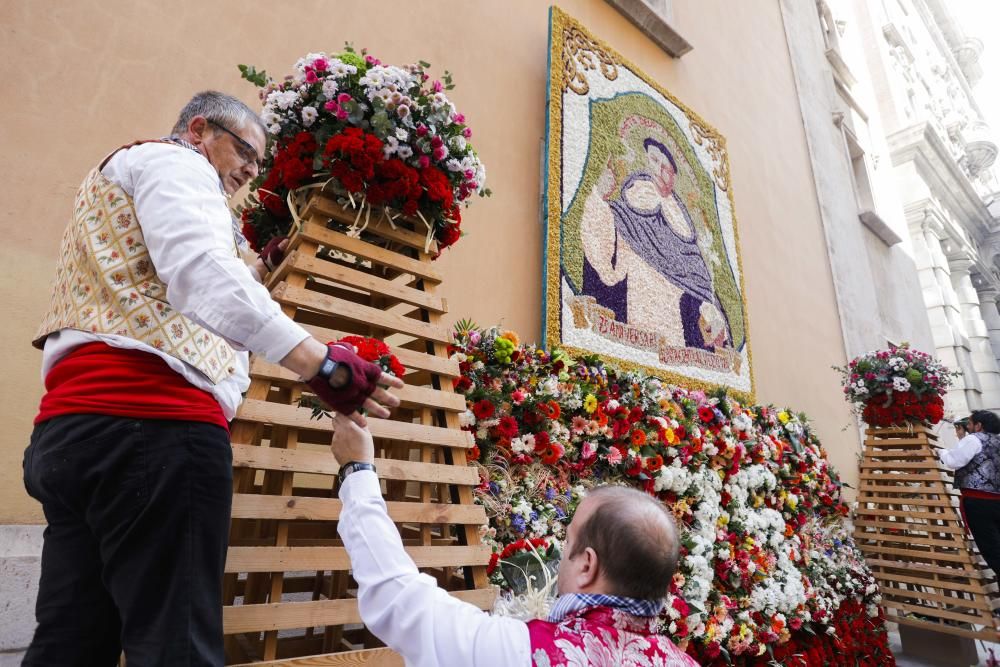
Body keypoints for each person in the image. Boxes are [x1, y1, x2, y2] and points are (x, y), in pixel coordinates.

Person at [22, 91, 403, 666]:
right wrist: (320, 363)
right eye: (245, 153)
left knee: (70, 642)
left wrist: (256, 267)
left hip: (71, 435)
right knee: (176, 644)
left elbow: (177, 277)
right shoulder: (178, 163)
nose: (250, 172)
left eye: (258, 166)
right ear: (199, 130)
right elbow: (201, 273)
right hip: (152, 428)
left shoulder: (124, 174)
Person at [330, 412, 698, 666]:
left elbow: (399, 600)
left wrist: (357, 469)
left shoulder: (523, 653)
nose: (560, 554)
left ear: (587, 565)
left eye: (567, 543)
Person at [939, 409, 1000, 576]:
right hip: (997, 501)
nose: (968, 427)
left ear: (979, 426)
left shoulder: (974, 439)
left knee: (992, 550)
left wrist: (941, 452)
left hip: (980, 503)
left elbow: (954, 461)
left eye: (970, 424)